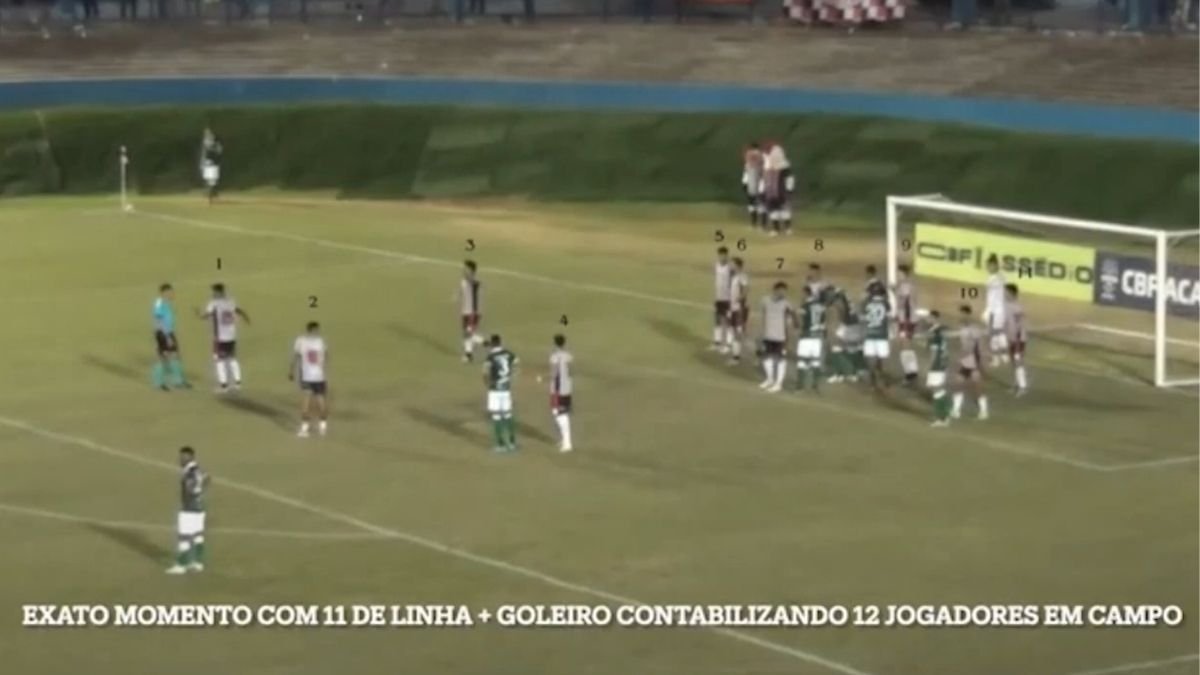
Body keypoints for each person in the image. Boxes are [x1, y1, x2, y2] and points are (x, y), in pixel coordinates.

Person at [198, 283, 250, 392]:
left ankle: (224, 385)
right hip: (231, 336)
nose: (212, 293)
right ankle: (238, 383)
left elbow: (206, 315)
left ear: (218, 292)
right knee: (232, 359)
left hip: (220, 337)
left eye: (214, 292)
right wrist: (246, 317)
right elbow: (239, 311)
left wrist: (199, 315)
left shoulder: (214, 303)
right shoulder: (230, 301)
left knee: (219, 360)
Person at [166, 446, 209, 575]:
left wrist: (193, 492)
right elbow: (207, 479)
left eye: (183, 457)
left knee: (184, 537)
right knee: (197, 536)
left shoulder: (190, 472)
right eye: (181, 456)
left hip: (189, 508)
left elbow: (192, 489)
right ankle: (197, 562)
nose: (180, 459)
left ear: (190, 457)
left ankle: (182, 565)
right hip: (199, 508)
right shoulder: (198, 470)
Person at [289, 321, 329, 438]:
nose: (317, 332)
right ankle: (322, 426)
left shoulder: (301, 341)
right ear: (314, 330)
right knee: (318, 400)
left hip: (307, 376)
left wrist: (291, 370)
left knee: (308, 401)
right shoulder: (321, 342)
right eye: (317, 330)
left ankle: (305, 428)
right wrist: (323, 367)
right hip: (319, 376)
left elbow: (296, 356)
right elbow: (326, 356)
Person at [951, 305, 989, 421]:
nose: (960, 316)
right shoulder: (960, 328)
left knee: (977, 388)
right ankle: (956, 410)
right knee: (958, 384)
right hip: (964, 361)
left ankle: (983, 410)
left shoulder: (974, 329)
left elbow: (980, 347)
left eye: (962, 314)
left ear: (968, 314)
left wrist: (980, 364)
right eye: (960, 314)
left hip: (973, 362)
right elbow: (961, 346)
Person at [484, 334, 519, 452]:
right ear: (500, 342)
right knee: (508, 415)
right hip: (506, 389)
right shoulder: (509, 354)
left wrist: (487, 384)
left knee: (496, 416)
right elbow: (516, 363)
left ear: (492, 343)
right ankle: (512, 442)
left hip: (495, 389)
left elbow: (485, 372)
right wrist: (511, 376)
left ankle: (500, 444)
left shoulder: (491, 356)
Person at [152, 283, 190, 391]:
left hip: (168, 332)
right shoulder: (159, 303)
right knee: (164, 357)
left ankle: (178, 381)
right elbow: (158, 320)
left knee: (175, 355)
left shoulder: (166, 302)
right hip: (163, 333)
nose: (172, 294)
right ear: (164, 292)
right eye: (170, 292)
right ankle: (159, 383)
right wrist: (167, 336)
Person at [758, 281, 793, 393]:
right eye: (782, 290)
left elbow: (789, 321)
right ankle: (770, 379)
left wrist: (787, 338)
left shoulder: (787, 305)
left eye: (785, 291)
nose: (784, 293)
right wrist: (762, 332)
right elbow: (763, 316)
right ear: (776, 290)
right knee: (766, 358)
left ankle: (778, 384)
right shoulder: (765, 301)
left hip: (780, 336)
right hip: (768, 335)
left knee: (780, 360)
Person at [794, 285, 826, 392]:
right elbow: (823, 322)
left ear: (806, 293)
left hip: (806, 336)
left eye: (802, 293)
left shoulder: (805, 305)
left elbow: (799, 322)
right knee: (815, 362)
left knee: (802, 362)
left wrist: (796, 322)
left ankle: (800, 386)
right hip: (816, 337)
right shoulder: (821, 306)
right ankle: (815, 385)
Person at [894, 264, 920, 386]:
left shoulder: (905, 286)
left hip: (906, 320)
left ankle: (910, 374)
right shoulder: (909, 285)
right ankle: (911, 372)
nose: (898, 275)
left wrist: (904, 321)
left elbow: (906, 305)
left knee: (905, 345)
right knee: (906, 345)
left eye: (899, 273)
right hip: (907, 319)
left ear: (903, 273)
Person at [548, 334, 574, 453]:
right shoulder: (568, 356)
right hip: (567, 388)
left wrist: (544, 379)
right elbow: (570, 371)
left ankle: (567, 443)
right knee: (562, 413)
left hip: (558, 390)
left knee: (559, 415)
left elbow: (554, 374)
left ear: (555, 343)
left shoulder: (554, 357)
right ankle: (564, 440)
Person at [925, 311, 952, 427]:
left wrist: (929, 366)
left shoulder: (934, 333)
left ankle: (941, 418)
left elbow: (934, 352)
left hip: (936, 364)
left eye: (929, 317)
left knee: (935, 389)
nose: (927, 319)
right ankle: (946, 412)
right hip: (942, 362)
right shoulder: (940, 331)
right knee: (937, 388)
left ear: (934, 318)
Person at [861, 290, 891, 387]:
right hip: (882, 335)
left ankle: (872, 380)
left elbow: (862, 318)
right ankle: (881, 377)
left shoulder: (866, 303)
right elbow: (890, 316)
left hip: (869, 334)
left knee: (870, 358)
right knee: (881, 359)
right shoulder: (886, 303)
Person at [983, 254, 1009, 367]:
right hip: (996, 309)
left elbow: (999, 277)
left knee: (994, 334)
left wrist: (999, 267)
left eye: (989, 265)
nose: (987, 268)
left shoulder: (995, 278)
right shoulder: (998, 277)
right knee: (999, 333)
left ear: (993, 266)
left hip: (995, 310)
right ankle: (1004, 355)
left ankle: (996, 359)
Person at [458, 260, 485, 363]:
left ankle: (490, 344)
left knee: (468, 333)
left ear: (471, 270)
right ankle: (468, 355)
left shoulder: (474, 282)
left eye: (466, 268)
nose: (464, 270)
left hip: (472, 312)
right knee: (466, 334)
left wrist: (474, 313)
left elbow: (475, 287)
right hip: (465, 311)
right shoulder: (464, 281)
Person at [1006, 284, 1029, 397]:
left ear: (1012, 293)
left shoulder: (1017, 307)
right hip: (1011, 338)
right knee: (1014, 362)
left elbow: (1020, 324)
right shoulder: (1006, 305)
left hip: (1018, 339)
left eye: (1007, 292)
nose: (1005, 294)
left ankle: (1023, 386)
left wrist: (1017, 339)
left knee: (1018, 361)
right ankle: (1016, 384)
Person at [726, 256, 750, 364]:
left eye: (732, 264)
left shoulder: (742, 277)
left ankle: (736, 357)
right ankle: (736, 354)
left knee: (738, 332)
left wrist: (738, 300)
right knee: (735, 331)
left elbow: (745, 291)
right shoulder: (733, 276)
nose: (730, 266)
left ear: (737, 265)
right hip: (733, 308)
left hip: (739, 309)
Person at [712, 246, 733, 353]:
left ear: (727, 255)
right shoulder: (716, 266)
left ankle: (728, 345)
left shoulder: (730, 268)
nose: (722, 257)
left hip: (728, 299)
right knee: (717, 320)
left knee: (728, 322)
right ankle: (717, 342)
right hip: (718, 297)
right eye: (720, 255)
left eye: (724, 255)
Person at [741, 143, 765, 228]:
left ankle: (755, 223)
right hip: (759, 184)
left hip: (753, 184)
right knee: (759, 204)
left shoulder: (750, 159)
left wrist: (744, 183)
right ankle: (761, 224)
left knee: (753, 203)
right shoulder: (762, 158)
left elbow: (746, 174)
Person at [200, 128, 222, 205]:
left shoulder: (212, 143)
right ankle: (210, 197)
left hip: (213, 163)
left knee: (212, 181)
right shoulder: (208, 143)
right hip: (209, 163)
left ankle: (211, 196)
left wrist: (217, 148)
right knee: (210, 180)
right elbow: (207, 152)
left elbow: (219, 151)